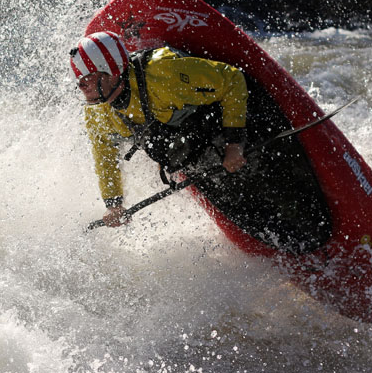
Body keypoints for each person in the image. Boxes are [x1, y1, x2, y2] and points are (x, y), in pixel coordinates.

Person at [72, 31, 249, 227]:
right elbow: (103, 154)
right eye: (79, 80)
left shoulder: (162, 73)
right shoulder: (98, 110)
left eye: (86, 78)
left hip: (218, 122)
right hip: (183, 139)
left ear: (111, 72)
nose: (81, 86)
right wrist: (113, 204)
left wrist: (234, 144)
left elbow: (233, 79)